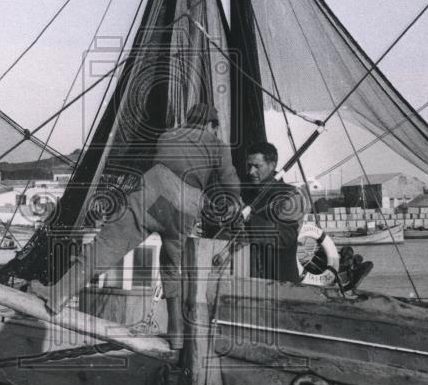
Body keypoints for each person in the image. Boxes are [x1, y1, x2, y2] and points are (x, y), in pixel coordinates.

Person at [32, 102, 241, 349]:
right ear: (210, 125)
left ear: (189, 119)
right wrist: (233, 201)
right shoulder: (218, 146)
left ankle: (58, 296)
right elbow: (231, 184)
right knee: (173, 269)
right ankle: (177, 333)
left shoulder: (168, 135)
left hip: (153, 192)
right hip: (186, 208)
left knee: (105, 246)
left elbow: (161, 162)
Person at [241, 142, 305, 283]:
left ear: (272, 166)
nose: (251, 171)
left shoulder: (290, 195)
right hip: (250, 278)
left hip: (281, 281)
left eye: (257, 166)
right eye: (249, 166)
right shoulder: (244, 191)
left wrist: (249, 220)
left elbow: (284, 237)